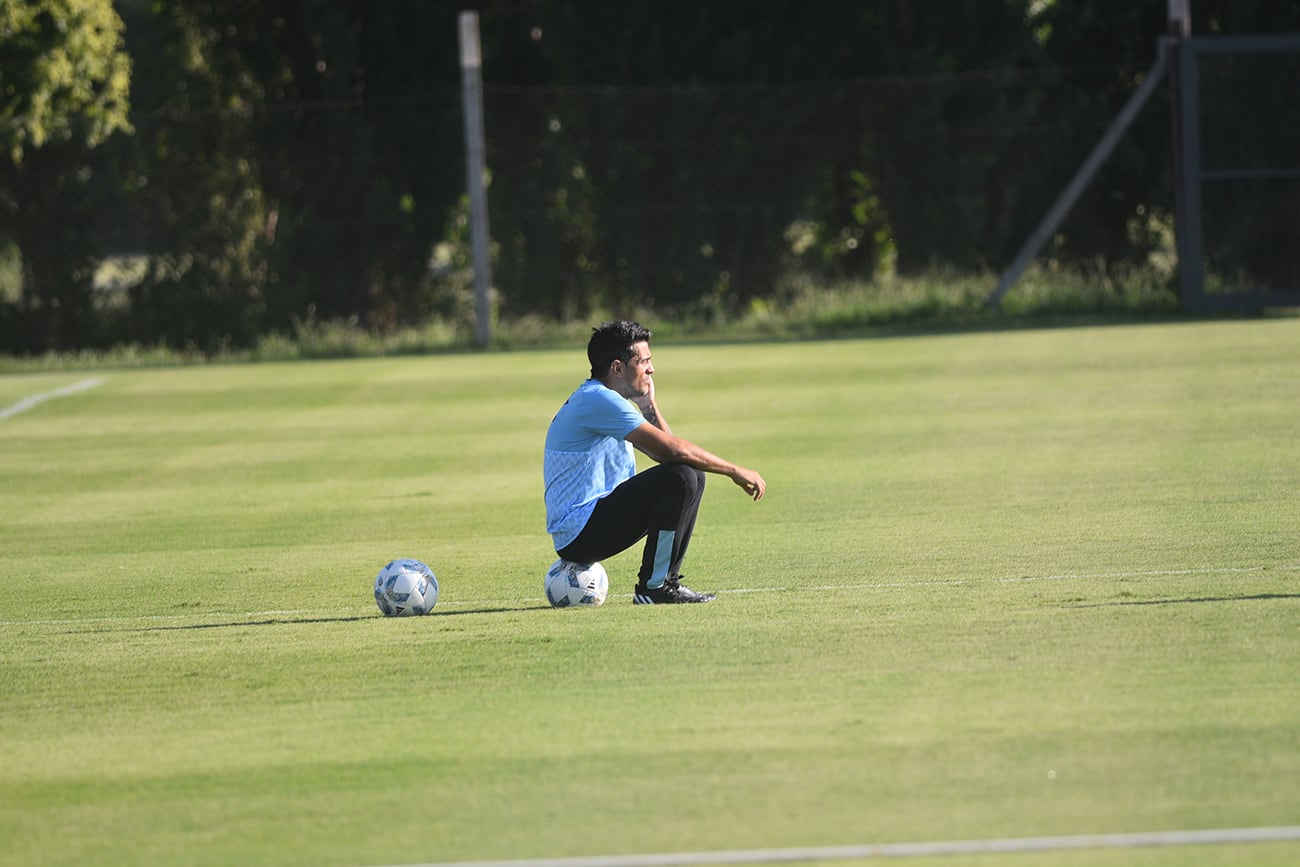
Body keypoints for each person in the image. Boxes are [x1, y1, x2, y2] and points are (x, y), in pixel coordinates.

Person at [543, 320, 766, 604]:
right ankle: (654, 586)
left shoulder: (605, 399)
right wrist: (734, 470)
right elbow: (671, 451)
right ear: (617, 368)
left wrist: (649, 406)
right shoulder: (598, 400)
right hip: (580, 531)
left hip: (589, 523)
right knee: (682, 476)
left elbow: (667, 454)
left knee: (689, 475)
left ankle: (661, 583)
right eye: (644, 361)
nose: (651, 369)